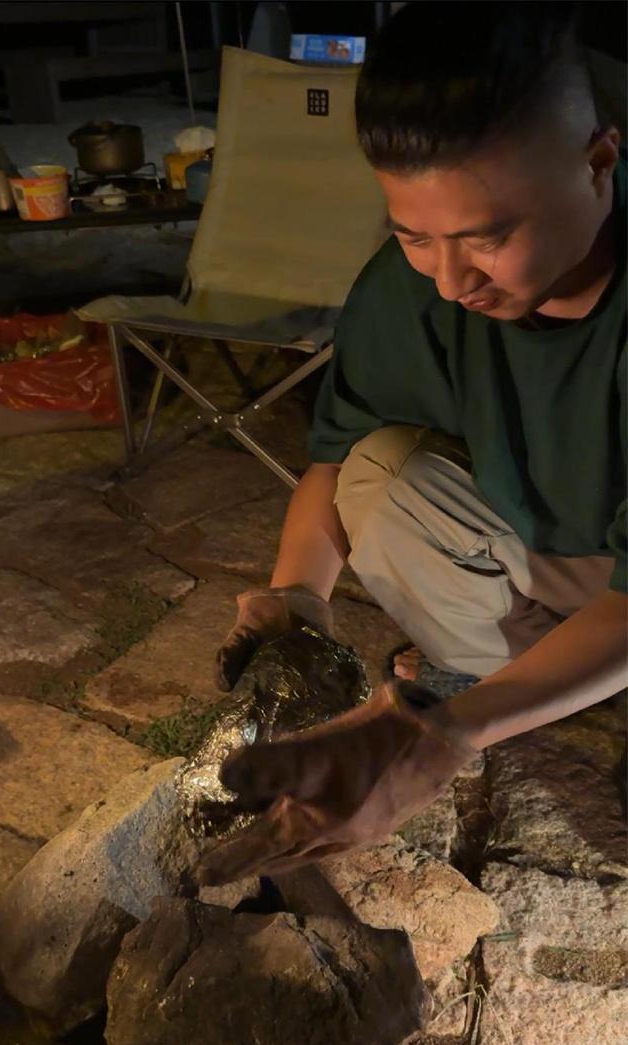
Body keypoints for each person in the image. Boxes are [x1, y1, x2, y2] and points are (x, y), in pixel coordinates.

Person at [200, 0, 627, 886]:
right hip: (557, 552)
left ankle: (565, 677)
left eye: (488, 238)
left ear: (598, 163)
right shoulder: (413, 285)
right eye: (414, 235)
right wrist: (297, 599)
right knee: (379, 475)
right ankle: (548, 676)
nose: (451, 279)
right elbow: (335, 457)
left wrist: (445, 734)